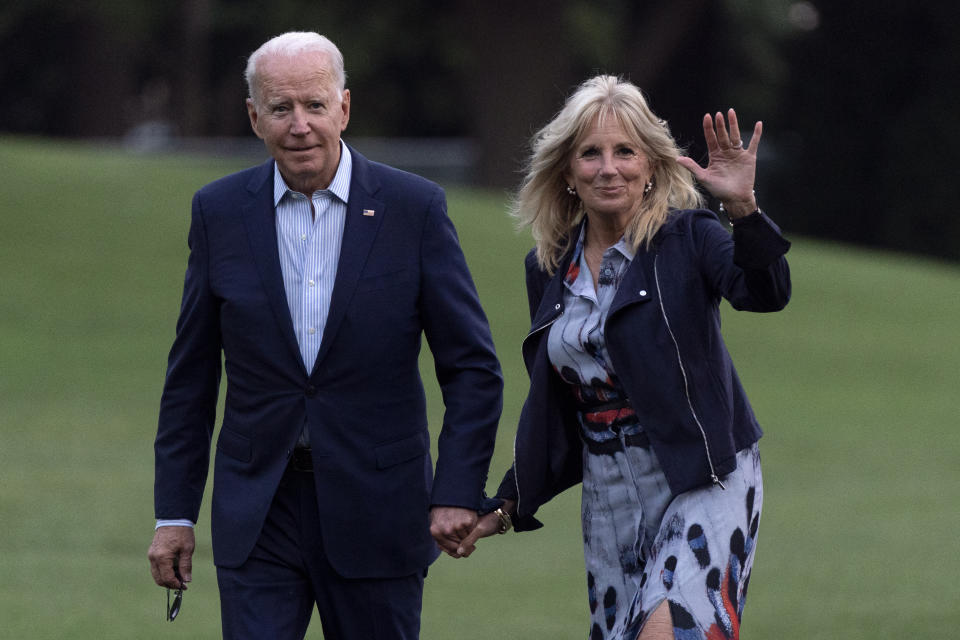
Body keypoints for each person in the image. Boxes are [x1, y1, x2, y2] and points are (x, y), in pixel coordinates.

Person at [147, 31, 503, 639]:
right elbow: (192, 377)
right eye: (281, 109)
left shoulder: (412, 209)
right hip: (260, 510)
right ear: (254, 117)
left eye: (314, 105)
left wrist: (457, 490)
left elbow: (472, 368)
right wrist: (174, 514)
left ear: (344, 107)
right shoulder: (219, 212)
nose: (300, 125)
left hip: (380, 507)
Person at [457, 75, 791, 640]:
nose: (608, 168)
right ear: (567, 172)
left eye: (625, 151)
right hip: (611, 498)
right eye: (591, 153)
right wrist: (508, 505)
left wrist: (743, 209)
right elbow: (562, 411)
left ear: (652, 166)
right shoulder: (547, 271)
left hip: (704, 476)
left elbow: (765, 292)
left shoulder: (690, 238)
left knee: (667, 632)